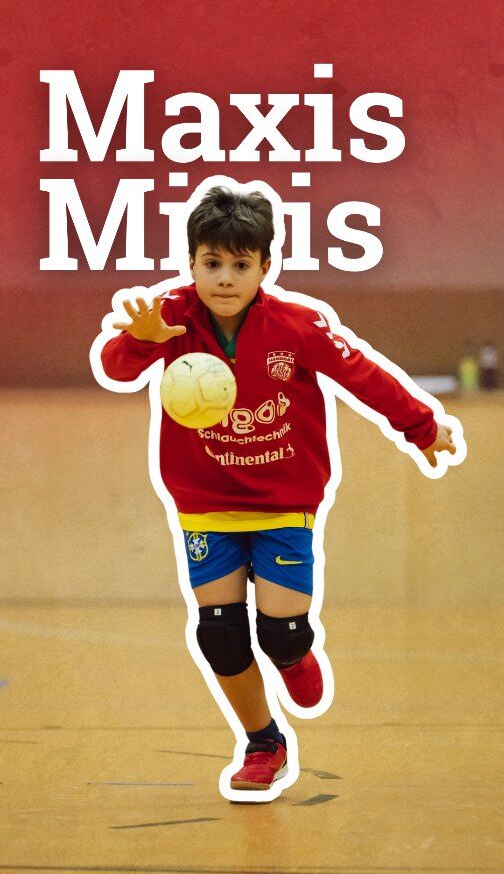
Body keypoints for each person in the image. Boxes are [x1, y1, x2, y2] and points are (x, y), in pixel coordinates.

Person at [98, 186, 456, 794]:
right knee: (218, 630)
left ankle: (295, 655)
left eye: (241, 265)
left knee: (282, 634)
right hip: (205, 504)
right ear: (191, 264)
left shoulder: (300, 325)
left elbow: (364, 376)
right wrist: (145, 339)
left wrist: (420, 426)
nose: (224, 278)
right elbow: (115, 366)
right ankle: (264, 741)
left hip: (282, 502)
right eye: (211, 264)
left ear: (266, 267)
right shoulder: (171, 318)